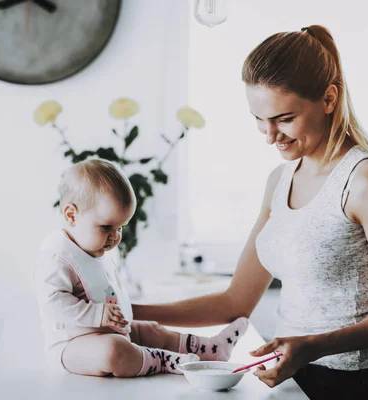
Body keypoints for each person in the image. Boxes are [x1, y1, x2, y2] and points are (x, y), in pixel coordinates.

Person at [132, 25, 368, 399]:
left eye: (284, 118)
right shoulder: (280, 179)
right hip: (287, 380)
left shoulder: (364, 180)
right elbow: (234, 301)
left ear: (329, 98)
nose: (270, 136)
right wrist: (130, 311)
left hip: (350, 385)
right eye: (259, 119)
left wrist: (312, 346)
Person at [34, 159, 249, 376]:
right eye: (107, 227)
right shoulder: (58, 258)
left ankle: (212, 348)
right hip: (73, 345)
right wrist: (96, 314)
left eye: (120, 228)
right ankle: (165, 361)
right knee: (114, 351)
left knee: (151, 329)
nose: (115, 237)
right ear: (71, 215)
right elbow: (53, 302)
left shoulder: (92, 250)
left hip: (112, 330)